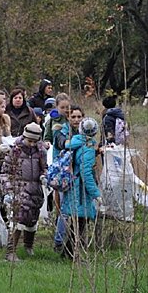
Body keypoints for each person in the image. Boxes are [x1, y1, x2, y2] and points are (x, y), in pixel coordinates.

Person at [1, 123, 47, 261]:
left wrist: (45, 176)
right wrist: (8, 190)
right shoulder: (14, 151)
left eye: (34, 141)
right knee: (18, 218)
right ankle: (10, 251)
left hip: (36, 188)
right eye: (29, 140)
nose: (32, 144)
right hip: (19, 187)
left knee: (32, 218)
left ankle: (28, 246)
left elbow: (45, 167)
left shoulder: (41, 151)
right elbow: (5, 172)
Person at [60, 117, 102, 260]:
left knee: (76, 222)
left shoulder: (75, 142)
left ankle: (67, 251)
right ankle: (72, 254)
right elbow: (86, 172)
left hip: (73, 184)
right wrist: (96, 193)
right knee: (80, 223)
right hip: (81, 190)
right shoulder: (89, 147)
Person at [52, 104, 84, 253]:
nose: (76, 120)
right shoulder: (61, 131)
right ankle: (58, 241)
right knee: (65, 208)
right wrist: (83, 140)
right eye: (73, 117)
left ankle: (75, 239)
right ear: (68, 117)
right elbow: (63, 145)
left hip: (78, 175)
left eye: (79, 117)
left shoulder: (83, 131)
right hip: (63, 175)